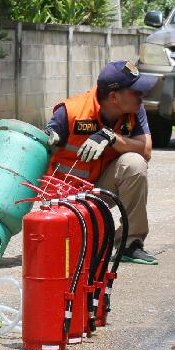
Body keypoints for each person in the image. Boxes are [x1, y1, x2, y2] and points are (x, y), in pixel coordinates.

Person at [44, 60, 159, 265]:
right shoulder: (71, 112)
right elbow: (40, 146)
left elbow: (146, 150)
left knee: (135, 163)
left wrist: (111, 137)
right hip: (66, 197)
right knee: (69, 253)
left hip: (101, 191)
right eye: (135, 91)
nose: (141, 95)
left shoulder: (134, 111)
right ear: (114, 97)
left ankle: (130, 244)